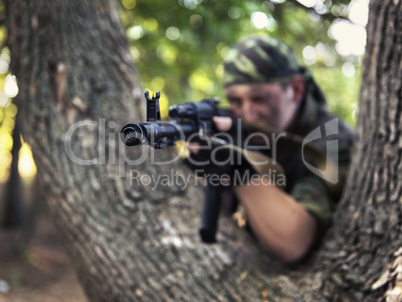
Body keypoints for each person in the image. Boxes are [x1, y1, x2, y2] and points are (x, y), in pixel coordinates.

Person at [187, 35, 354, 263]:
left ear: (295, 89)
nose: (248, 113)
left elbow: (294, 241)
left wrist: (237, 165)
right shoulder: (236, 126)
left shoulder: (329, 141)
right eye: (235, 101)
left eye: (260, 98)